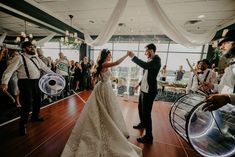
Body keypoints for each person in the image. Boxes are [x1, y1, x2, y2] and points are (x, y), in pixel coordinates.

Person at [61, 49, 142, 157]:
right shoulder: (104, 63)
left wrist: (115, 79)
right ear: (104, 56)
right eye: (109, 55)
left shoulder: (103, 64)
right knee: (104, 107)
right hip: (104, 88)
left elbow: (106, 75)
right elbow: (117, 63)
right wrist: (126, 55)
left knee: (106, 107)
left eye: (110, 55)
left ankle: (108, 121)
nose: (110, 56)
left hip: (104, 86)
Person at [0, 41, 53, 135]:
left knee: (37, 100)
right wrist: (4, 83)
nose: (33, 48)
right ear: (24, 49)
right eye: (30, 47)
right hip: (25, 82)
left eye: (33, 46)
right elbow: (9, 71)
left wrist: (54, 75)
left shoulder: (36, 57)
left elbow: (45, 67)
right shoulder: (19, 58)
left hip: (37, 81)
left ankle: (35, 117)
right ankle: (23, 124)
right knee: (26, 104)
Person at [128, 43, 161, 144]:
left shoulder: (156, 60)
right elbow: (145, 75)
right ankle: (142, 124)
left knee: (147, 113)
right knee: (140, 109)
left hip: (149, 91)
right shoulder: (150, 60)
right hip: (143, 89)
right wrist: (139, 84)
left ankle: (149, 136)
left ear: (151, 50)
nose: (145, 53)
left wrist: (133, 57)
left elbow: (145, 66)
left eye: (146, 51)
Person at [201, 29, 235, 112]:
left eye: (225, 43)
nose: (221, 47)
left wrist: (228, 98)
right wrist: (212, 86)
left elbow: (228, 96)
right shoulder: (231, 66)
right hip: (224, 111)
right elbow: (226, 87)